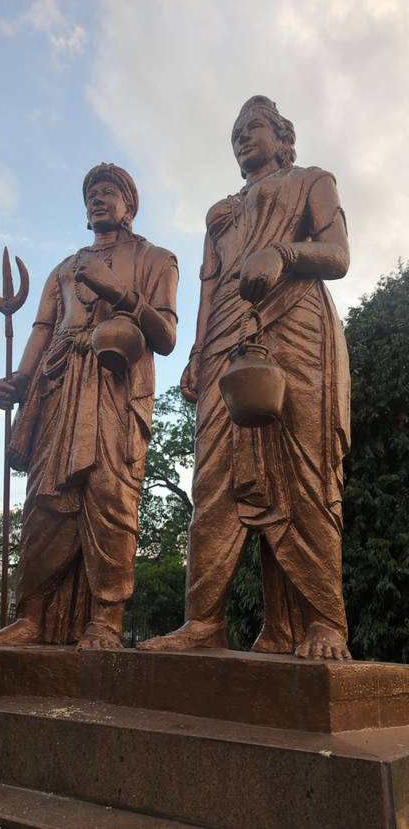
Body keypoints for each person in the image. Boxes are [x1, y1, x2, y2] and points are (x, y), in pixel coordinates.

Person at [140, 96, 351, 661]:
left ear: (283, 138)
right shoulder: (220, 213)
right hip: (225, 346)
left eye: (253, 127)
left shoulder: (311, 181)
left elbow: (338, 254)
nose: (241, 137)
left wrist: (284, 252)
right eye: (235, 131)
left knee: (302, 472)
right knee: (214, 478)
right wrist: (195, 353)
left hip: (295, 326)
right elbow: (210, 286)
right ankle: (203, 623)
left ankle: (322, 622)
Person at [0, 163, 178, 650]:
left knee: (111, 499)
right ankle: (31, 618)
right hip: (58, 388)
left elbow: (165, 336)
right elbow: (44, 329)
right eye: (91, 194)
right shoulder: (64, 267)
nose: (97, 200)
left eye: (108, 192)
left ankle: (106, 619)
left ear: (129, 205)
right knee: (44, 502)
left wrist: (117, 292)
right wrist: (21, 379)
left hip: (115, 386)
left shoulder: (156, 258)